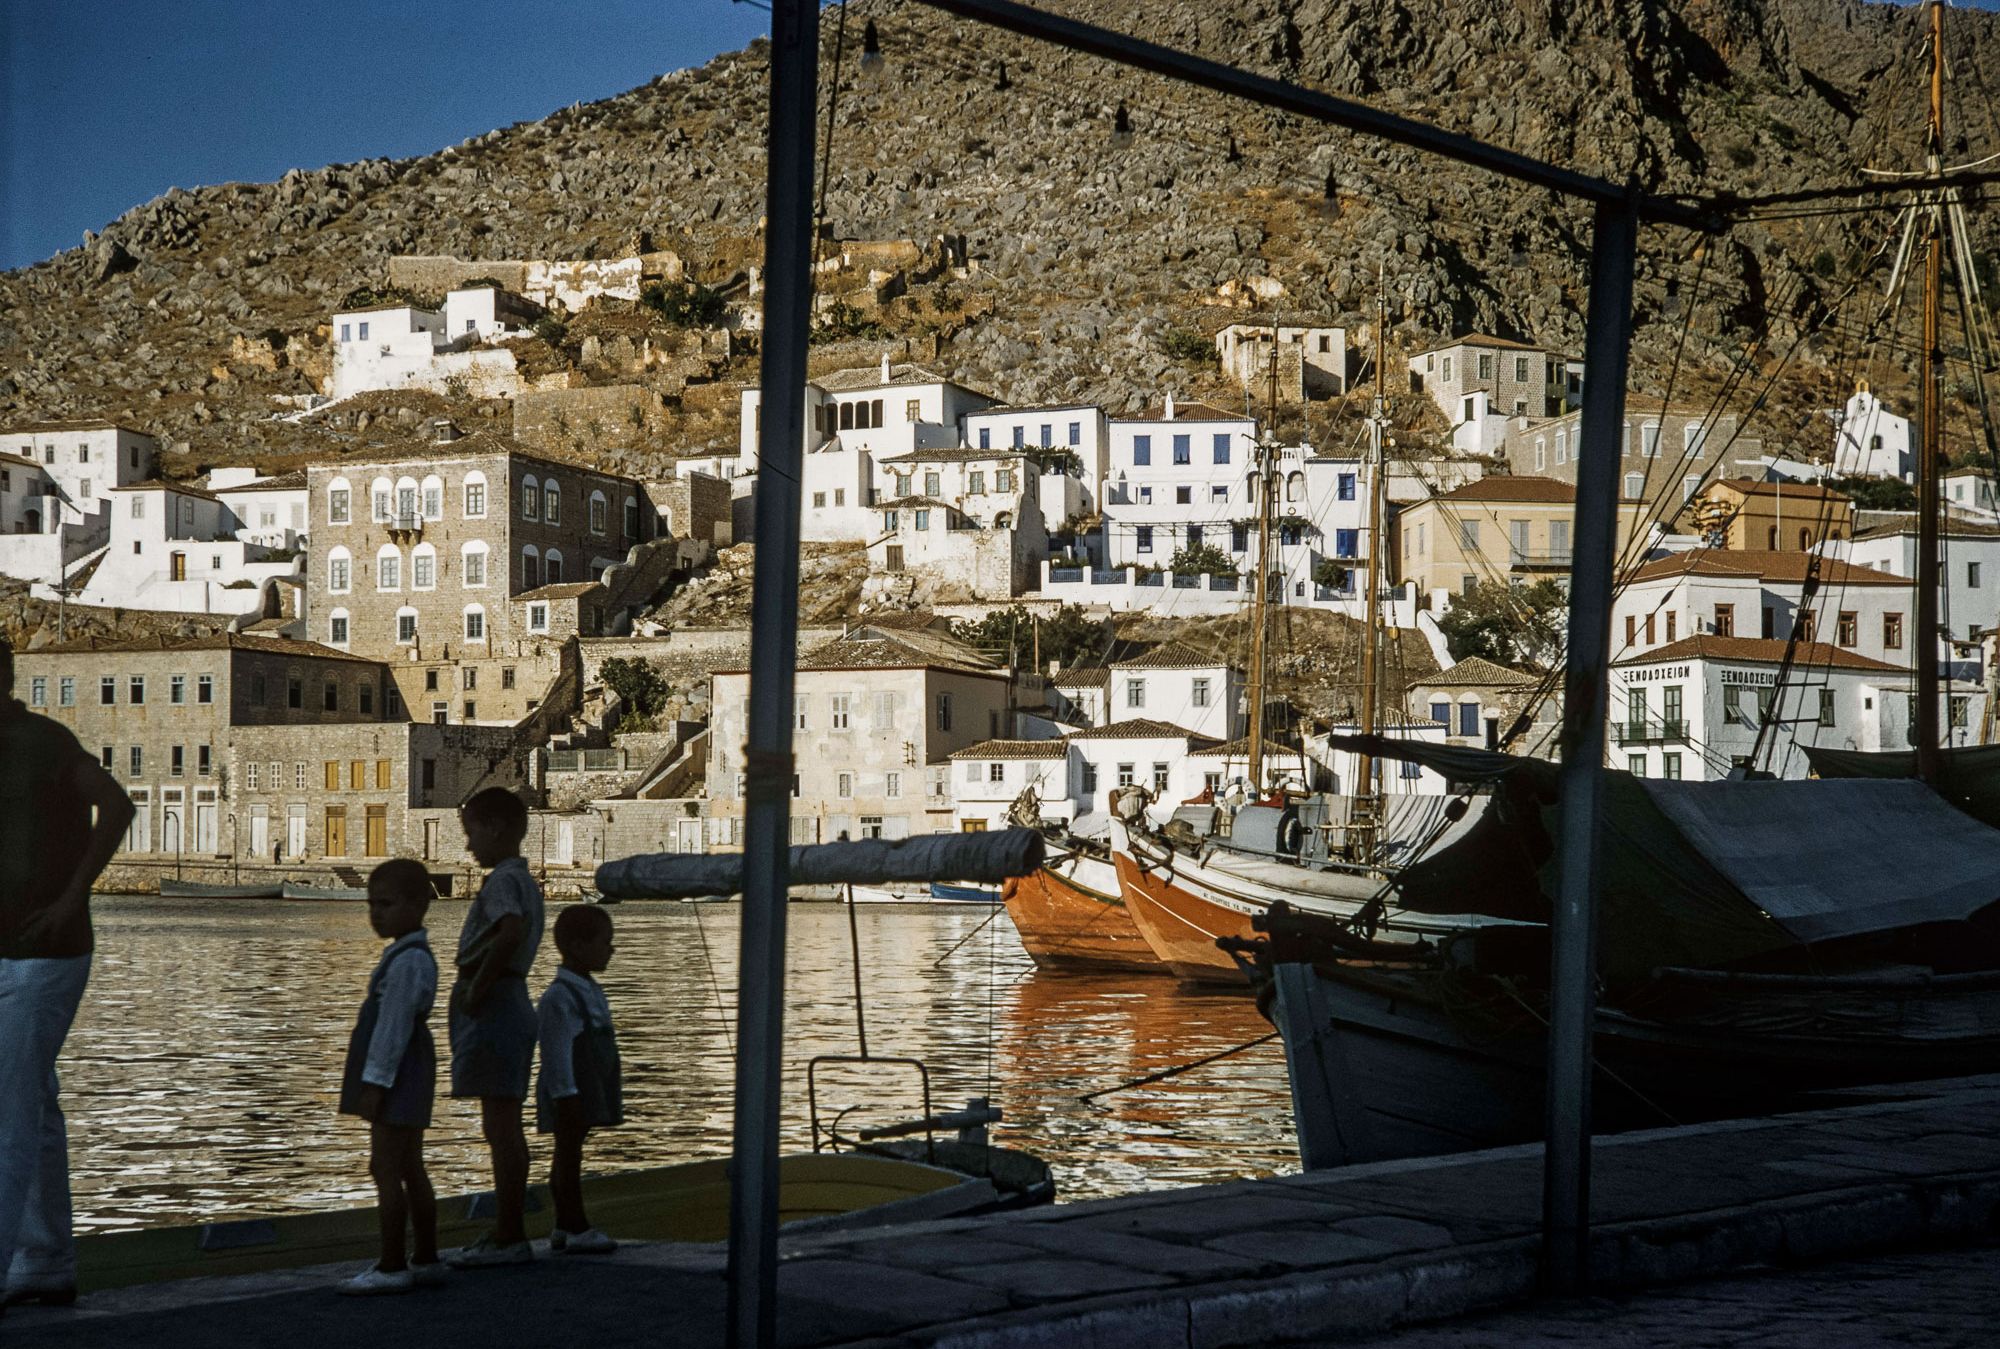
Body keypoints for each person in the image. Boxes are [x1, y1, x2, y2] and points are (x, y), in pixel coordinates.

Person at [0, 636, 135, 1314]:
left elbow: (117, 805)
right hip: (13, 949)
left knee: (9, 1114)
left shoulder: (45, 742)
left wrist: (72, 897)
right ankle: (46, 1261)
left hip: (46, 953)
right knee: (34, 1105)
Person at [446, 788, 544, 1267]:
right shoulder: (523, 881)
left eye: (472, 834)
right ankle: (509, 1229)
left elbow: (509, 932)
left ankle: (509, 1234)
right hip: (511, 1001)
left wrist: (478, 988)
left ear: (495, 828)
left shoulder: (503, 881)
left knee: (500, 1127)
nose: (469, 846)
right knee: (505, 1125)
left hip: (497, 1005)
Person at [336, 859, 443, 1295]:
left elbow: (393, 1028)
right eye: (372, 905)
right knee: (411, 1164)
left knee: (384, 1166)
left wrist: (375, 1084)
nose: (376, 914)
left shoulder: (406, 963)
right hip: (412, 1068)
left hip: (397, 1073)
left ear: (418, 905)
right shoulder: (409, 955)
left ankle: (392, 1261)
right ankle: (427, 1256)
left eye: (386, 904)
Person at [535, 905, 623, 1255]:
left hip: (590, 1082)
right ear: (577, 946)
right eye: (605, 942)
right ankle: (575, 1224)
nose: (611, 949)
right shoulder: (559, 997)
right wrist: (565, 1094)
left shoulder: (589, 988)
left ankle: (563, 1223)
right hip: (572, 1088)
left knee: (570, 1151)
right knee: (568, 1154)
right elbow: (556, 1052)